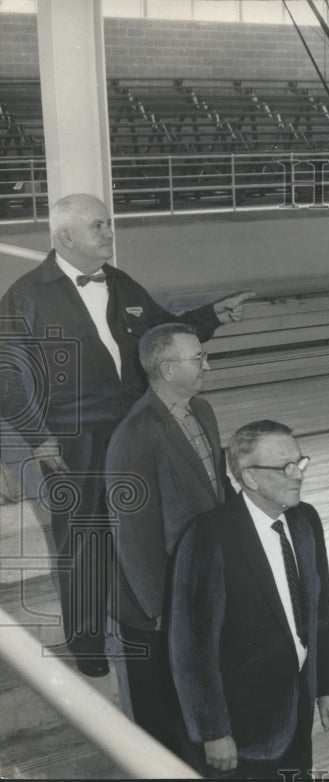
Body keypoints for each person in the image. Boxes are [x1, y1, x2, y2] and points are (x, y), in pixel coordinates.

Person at [0, 192, 252, 677]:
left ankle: (146, 615)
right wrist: (39, 437)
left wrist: (214, 316)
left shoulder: (120, 282)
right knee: (83, 539)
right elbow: (8, 377)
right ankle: (88, 641)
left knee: (144, 527)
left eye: (109, 224)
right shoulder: (27, 295)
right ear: (66, 235)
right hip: (73, 440)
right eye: (99, 226)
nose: (110, 233)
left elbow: (161, 332)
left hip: (134, 427)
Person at [170, 420, 329, 779]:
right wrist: (214, 731)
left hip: (296, 709)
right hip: (241, 728)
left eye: (300, 463)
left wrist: (328, 688)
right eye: (285, 467)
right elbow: (191, 647)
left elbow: (321, 614)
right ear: (249, 478)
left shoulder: (306, 520)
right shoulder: (208, 536)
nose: (298, 475)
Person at [106, 322, 233, 756]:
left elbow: (218, 489)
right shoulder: (135, 434)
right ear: (164, 368)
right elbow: (131, 534)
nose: (207, 365)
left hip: (199, 586)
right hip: (159, 605)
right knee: (165, 727)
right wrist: (159, 607)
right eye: (197, 358)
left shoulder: (204, 412)